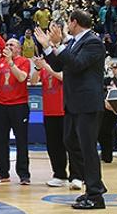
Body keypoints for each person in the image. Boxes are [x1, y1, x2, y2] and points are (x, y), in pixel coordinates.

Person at [35, 11, 109, 210]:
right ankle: (94, 185)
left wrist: (59, 44)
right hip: (74, 103)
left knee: (87, 148)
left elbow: (76, 65)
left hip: (87, 104)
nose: (67, 25)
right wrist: (47, 46)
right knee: (70, 141)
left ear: (75, 23)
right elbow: (59, 64)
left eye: (69, 22)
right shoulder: (75, 42)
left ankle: (95, 195)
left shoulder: (93, 42)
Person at [31, 56, 82, 189]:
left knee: (71, 144)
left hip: (65, 112)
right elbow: (33, 81)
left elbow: (63, 77)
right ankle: (59, 175)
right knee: (54, 146)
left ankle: (77, 176)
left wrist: (46, 67)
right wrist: (37, 68)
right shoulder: (44, 68)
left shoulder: (65, 64)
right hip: (49, 112)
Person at [0, 38, 32, 185]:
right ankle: (3, 172)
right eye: (6, 45)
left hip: (19, 105)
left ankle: (24, 174)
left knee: (21, 141)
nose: (8, 46)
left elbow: (22, 77)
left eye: (11, 45)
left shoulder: (24, 61)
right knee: (1, 141)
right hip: (1, 105)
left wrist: (10, 62)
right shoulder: (0, 62)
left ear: (18, 48)